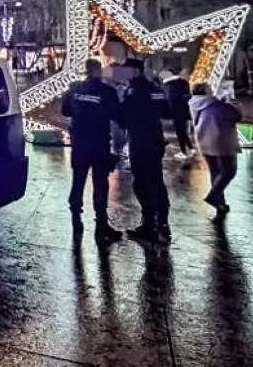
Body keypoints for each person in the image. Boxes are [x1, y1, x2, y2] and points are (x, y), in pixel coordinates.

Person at [60, 59, 122, 243]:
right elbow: (117, 114)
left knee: (78, 180)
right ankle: (101, 225)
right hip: (99, 144)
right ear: (98, 71)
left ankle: (76, 220)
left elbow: (65, 111)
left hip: (79, 142)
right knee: (100, 184)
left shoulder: (74, 88)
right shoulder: (108, 92)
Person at [118, 58, 171, 242]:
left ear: (135, 71)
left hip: (140, 141)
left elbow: (123, 119)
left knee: (140, 183)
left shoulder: (132, 91)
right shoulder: (155, 89)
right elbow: (166, 111)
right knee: (156, 181)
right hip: (155, 139)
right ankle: (162, 222)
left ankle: (149, 223)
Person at [189, 82, 242, 218]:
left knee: (215, 171)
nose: (212, 91)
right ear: (205, 92)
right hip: (221, 141)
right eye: (209, 89)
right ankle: (214, 196)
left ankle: (220, 204)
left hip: (203, 140)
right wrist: (232, 104)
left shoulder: (194, 103)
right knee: (229, 170)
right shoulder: (216, 104)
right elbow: (236, 116)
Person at [162, 68, 193, 159]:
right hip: (185, 110)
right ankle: (190, 148)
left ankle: (183, 152)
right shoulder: (183, 83)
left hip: (175, 111)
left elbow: (167, 100)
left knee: (180, 132)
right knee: (183, 131)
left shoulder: (167, 85)